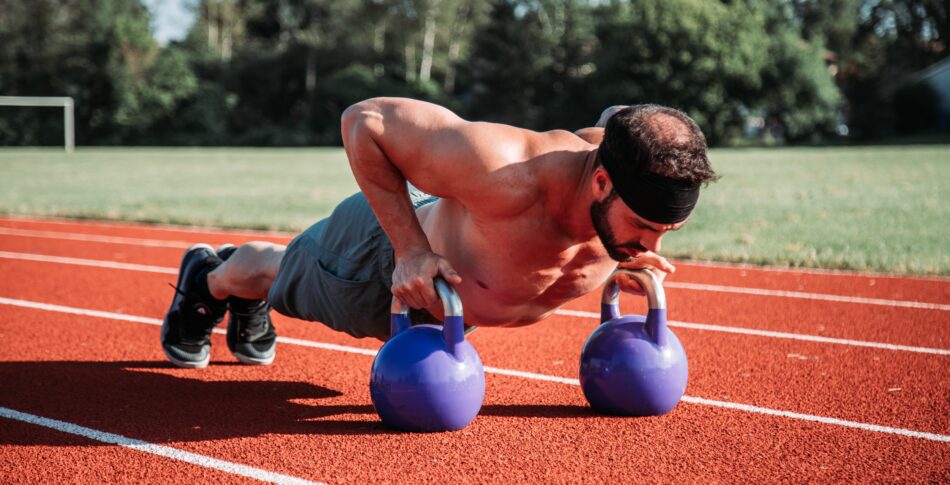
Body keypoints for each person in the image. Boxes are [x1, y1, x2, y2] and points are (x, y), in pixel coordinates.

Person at [160, 98, 717, 368]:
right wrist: (409, 250)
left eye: (667, 231)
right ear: (600, 182)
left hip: (454, 284)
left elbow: (621, 112)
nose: (652, 248)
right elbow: (365, 122)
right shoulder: (507, 169)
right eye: (644, 229)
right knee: (277, 273)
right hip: (378, 263)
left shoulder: (626, 166)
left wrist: (629, 245)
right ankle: (212, 279)